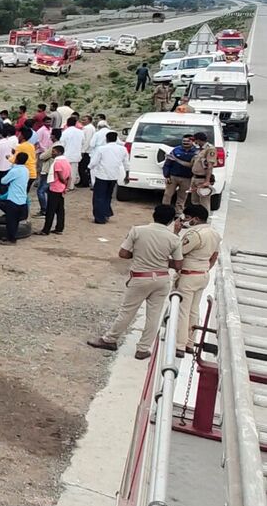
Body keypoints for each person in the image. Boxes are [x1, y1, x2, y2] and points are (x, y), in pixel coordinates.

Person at [88, 205, 183, 360]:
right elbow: (178, 265)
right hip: (161, 278)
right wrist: (163, 260)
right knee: (154, 315)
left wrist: (140, 254)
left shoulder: (137, 230)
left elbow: (123, 253)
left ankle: (110, 339)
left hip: (140, 277)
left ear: (154, 215)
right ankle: (143, 349)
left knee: (127, 311)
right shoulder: (174, 238)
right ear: (171, 220)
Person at [172, 204, 221, 357]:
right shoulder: (214, 233)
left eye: (187, 218)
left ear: (196, 218)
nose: (185, 221)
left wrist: (176, 233)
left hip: (189, 275)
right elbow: (214, 256)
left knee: (182, 310)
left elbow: (178, 251)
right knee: (194, 310)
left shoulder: (194, 234)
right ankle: (190, 342)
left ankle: (179, 345)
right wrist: (206, 268)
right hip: (203, 273)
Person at [89, 130, 128, 224]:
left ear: (106, 139)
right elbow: (126, 163)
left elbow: (94, 162)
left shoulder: (102, 149)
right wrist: (127, 175)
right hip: (114, 176)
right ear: (116, 139)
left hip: (102, 175)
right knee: (108, 196)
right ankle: (106, 213)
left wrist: (89, 167)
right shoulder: (122, 149)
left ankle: (99, 218)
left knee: (99, 197)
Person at [0, 152, 29, 244]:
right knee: (15, 220)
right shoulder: (26, 170)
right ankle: (11, 236)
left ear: (16, 159)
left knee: (11, 220)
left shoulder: (14, 171)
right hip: (22, 199)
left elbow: (3, 181)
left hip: (13, 199)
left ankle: (11, 239)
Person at [38, 144, 72, 236]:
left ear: (59, 152)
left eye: (54, 152)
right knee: (60, 209)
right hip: (61, 189)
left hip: (55, 188)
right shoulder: (66, 162)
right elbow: (69, 176)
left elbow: (60, 176)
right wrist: (67, 186)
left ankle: (46, 230)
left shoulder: (57, 162)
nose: (52, 153)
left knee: (50, 210)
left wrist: (64, 183)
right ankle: (59, 228)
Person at [163, 134, 196, 215]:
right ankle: (164, 211)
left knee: (182, 197)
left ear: (192, 142)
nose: (185, 143)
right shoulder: (176, 150)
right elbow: (167, 163)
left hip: (187, 178)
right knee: (167, 195)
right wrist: (166, 175)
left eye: (188, 141)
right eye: (184, 141)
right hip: (173, 177)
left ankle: (178, 213)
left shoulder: (196, 152)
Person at [188, 132, 217, 209]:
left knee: (204, 202)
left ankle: (205, 218)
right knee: (194, 201)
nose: (194, 142)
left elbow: (209, 166)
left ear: (198, 140)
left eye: (195, 140)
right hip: (195, 178)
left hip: (202, 178)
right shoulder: (198, 149)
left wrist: (207, 181)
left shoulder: (210, 149)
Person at [59, 117, 84, 190]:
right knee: (73, 171)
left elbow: (62, 143)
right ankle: (71, 186)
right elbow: (83, 142)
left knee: (65, 171)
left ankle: (64, 185)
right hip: (76, 154)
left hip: (66, 154)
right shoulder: (80, 132)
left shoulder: (65, 132)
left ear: (67, 123)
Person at [13, 127, 38, 198]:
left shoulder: (20, 147)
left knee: (20, 194)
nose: (18, 136)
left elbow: (14, 160)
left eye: (19, 135)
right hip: (32, 173)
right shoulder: (31, 146)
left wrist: (8, 157)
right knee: (24, 193)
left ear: (22, 136)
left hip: (25, 173)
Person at [0, 127, 17, 192]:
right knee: (4, 184)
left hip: (0, 167)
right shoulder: (10, 141)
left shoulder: (0, 143)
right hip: (8, 165)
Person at [78, 115, 96, 189]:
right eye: (82, 120)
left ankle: (84, 182)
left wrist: (83, 150)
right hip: (88, 150)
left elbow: (87, 141)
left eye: (84, 120)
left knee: (83, 167)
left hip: (86, 151)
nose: (82, 121)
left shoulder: (88, 128)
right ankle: (83, 181)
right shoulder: (89, 128)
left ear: (89, 120)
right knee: (83, 167)